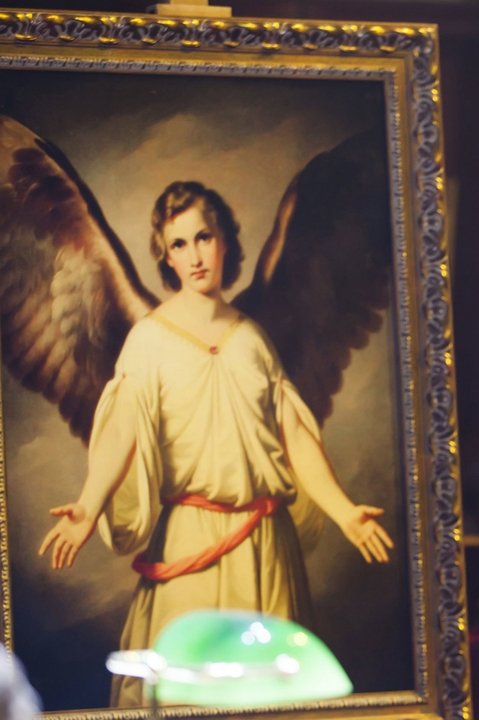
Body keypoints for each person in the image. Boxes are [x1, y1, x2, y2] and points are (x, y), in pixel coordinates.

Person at [37, 181, 394, 707]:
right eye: (179, 244)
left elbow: (294, 435)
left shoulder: (252, 339)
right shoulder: (150, 339)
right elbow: (121, 431)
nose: (195, 256)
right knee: (187, 698)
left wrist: (345, 513)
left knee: (273, 701)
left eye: (203, 237)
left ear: (224, 240)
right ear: (166, 256)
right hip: (190, 543)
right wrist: (88, 508)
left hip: (266, 547)